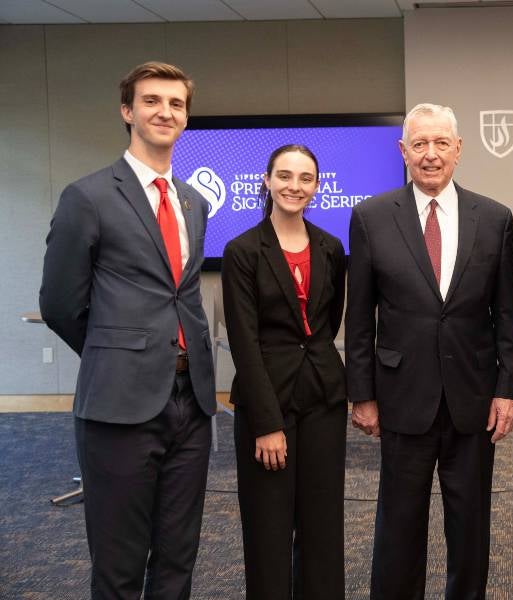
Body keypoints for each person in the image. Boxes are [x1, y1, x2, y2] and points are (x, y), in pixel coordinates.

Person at [39, 61, 216, 598]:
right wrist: (118, 354)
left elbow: (181, 293)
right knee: (119, 565)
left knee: (178, 558)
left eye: (176, 104)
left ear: (186, 118)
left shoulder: (193, 202)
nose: (166, 112)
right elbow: (60, 304)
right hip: (118, 405)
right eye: (152, 101)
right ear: (127, 111)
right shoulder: (88, 196)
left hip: (191, 404)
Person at [345, 103, 513, 600]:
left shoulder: (494, 218)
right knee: (399, 526)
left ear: (458, 149)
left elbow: (507, 313)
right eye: (420, 144)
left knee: (470, 526)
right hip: (401, 396)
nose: (430, 154)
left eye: (441, 143)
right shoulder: (371, 217)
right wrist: (361, 393)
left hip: (473, 398)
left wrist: (509, 390)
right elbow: (359, 317)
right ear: (403, 151)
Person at [222, 144, 347, 599]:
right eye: (285, 176)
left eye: (305, 178)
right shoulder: (242, 251)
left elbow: (327, 323)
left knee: (323, 527)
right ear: (268, 180)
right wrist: (266, 423)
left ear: (317, 186)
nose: (295, 186)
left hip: (324, 398)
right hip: (267, 403)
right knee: (269, 529)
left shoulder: (331, 248)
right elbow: (243, 342)